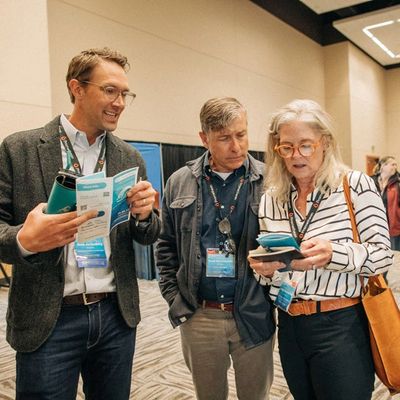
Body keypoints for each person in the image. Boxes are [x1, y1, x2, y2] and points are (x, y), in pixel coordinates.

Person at [0, 47, 160, 400]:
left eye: (124, 94)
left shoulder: (128, 157)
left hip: (115, 316)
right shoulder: (19, 148)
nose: (119, 102)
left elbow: (146, 236)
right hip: (50, 318)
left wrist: (146, 216)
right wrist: (26, 240)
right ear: (77, 88)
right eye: (109, 90)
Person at [249, 99, 393, 400]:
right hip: (289, 323)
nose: (295, 155)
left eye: (305, 145)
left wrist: (334, 254)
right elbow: (272, 270)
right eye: (286, 147)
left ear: (324, 142)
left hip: (340, 326)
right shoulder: (272, 198)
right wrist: (264, 269)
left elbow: (382, 256)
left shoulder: (355, 186)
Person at [156, 97, 275, 400]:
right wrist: (174, 296)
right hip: (200, 315)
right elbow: (166, 245)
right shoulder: (179, 182)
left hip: (254, 311)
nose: (236, 146)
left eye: (242, 134)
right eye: (224, 138)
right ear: (204, 138)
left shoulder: (269, 181)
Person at [372, 156, 400, 250]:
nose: (395, 167)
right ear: (383, 166)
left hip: (394, 227)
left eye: (396, 165)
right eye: (392, 164)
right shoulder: (372, 181)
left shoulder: (398, 182)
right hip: (376, 226)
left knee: (394, 254)